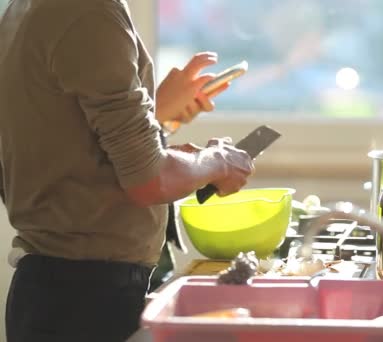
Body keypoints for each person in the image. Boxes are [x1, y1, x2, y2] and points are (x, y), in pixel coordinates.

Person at [0, 0, 254, 341]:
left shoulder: (26, 9)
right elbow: (149, 180)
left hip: (56, 291)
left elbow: (60, 146)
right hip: (86, 300)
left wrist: (156, 117)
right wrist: (219, 161)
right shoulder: (90, 11)